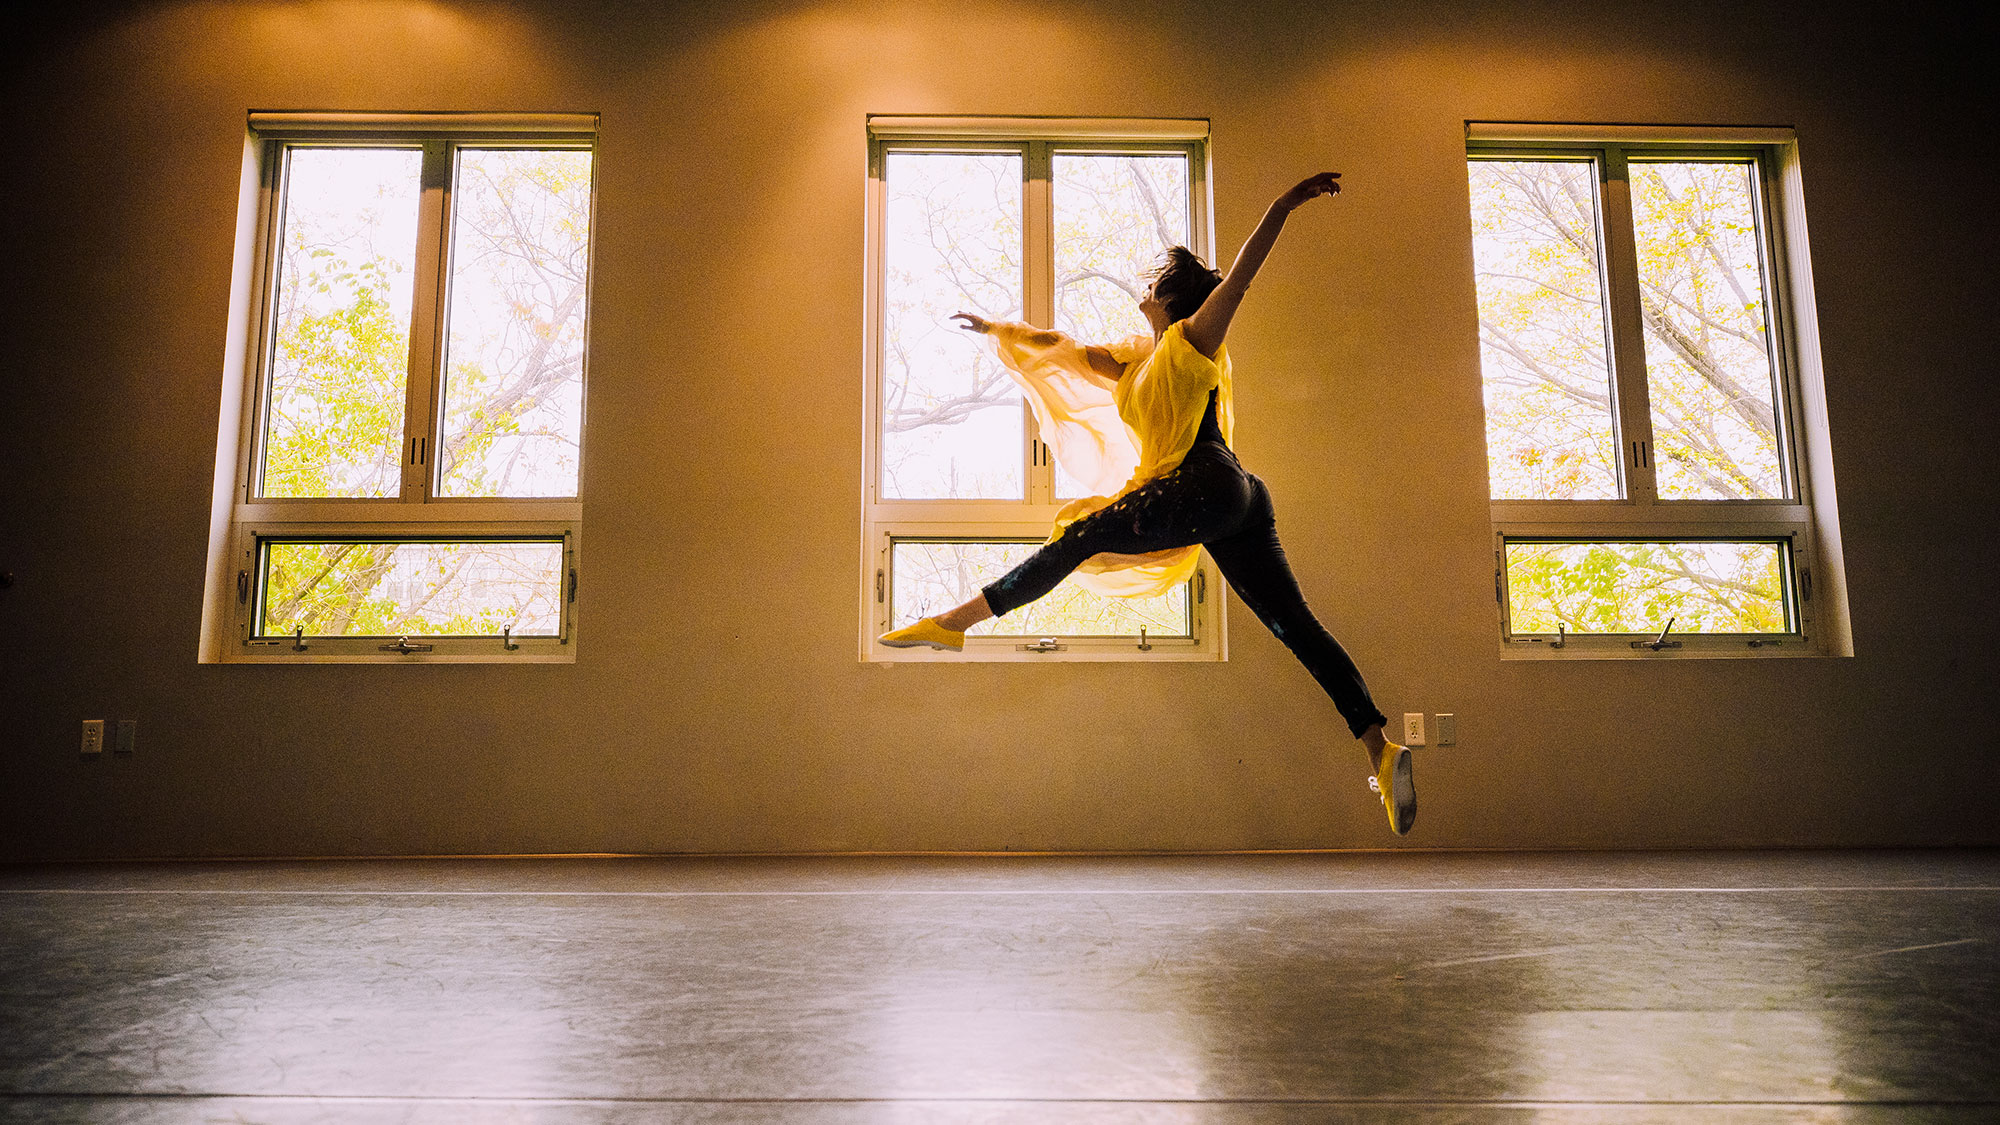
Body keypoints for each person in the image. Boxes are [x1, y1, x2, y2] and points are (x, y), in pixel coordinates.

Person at [878, 171, 1415, 836]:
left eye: (1150, 282)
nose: (1143, 289)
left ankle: (956, 619)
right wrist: (998, 328)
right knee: (1294, 624)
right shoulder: (1136, 364)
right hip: (1238, 497)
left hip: (1208, 485)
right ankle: (1380, 751)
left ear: (1168, 297)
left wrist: (1282, 204)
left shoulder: (1193, 340)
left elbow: (1239, 281)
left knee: (1078, 537)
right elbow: (1065, 351)